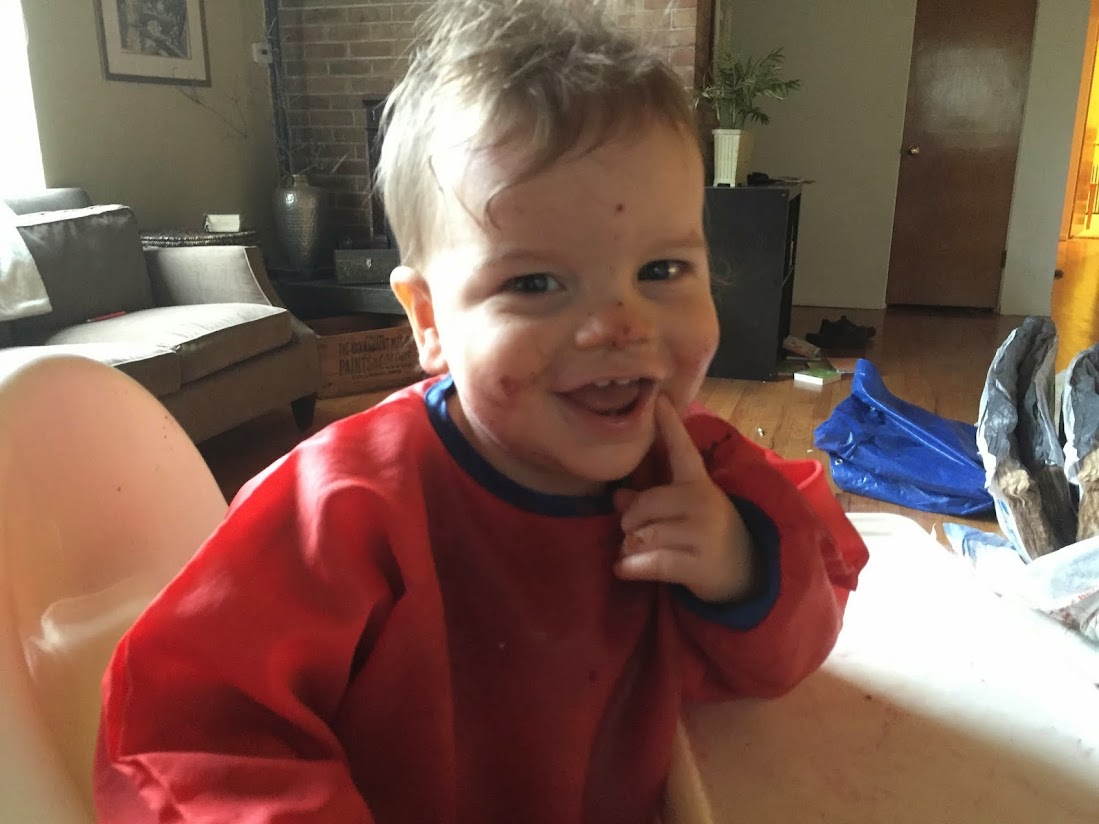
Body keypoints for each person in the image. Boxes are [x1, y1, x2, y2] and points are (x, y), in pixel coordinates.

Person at [94, 1, 869, 821]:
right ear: (429, 321)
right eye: (534, 283)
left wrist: (740, 567)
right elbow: (186, 733)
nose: (622, 325)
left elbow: (812, 601)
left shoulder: (702, 472)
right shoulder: (342, 506)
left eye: (661, 269)